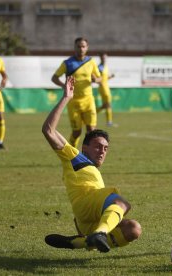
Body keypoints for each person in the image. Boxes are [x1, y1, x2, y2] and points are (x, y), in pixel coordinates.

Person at [42, 76, 141, 252]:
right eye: (97, 146)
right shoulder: (74, 156)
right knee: (121, 202)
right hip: (86, 204)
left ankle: (76, 242)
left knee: (133, 229)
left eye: (106, 148)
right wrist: (66, 97)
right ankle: (100, 233)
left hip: (86, 219)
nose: (102, 151)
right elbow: (48, 130)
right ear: (84, 147)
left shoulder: (91, 169)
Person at [52, 37, 101, 148]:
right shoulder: (67, 63)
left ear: (87, 48)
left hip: (88, 100)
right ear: (74, 47)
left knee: (91, 131)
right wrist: (63, 85)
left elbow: (100, 78)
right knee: (77, 132)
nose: (81, 49)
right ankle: (72, 154)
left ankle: (88, 156)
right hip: (73, 102)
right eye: (78, 46)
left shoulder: (91, 62)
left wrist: (96, 80)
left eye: (83, 46)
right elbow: (54, 78)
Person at [97, 53, 115, 126]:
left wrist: (110, 77)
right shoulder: (100, 67)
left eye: (105, 58)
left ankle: (92, 114)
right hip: (103, 88)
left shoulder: (105, 67)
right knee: (108, 105)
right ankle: (109, 122)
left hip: (106, 87)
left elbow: (104, 78)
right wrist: (100, 83)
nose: (104, 59)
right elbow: (98, 78)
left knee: (105, 105)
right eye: (103, 58)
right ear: (100, 58)